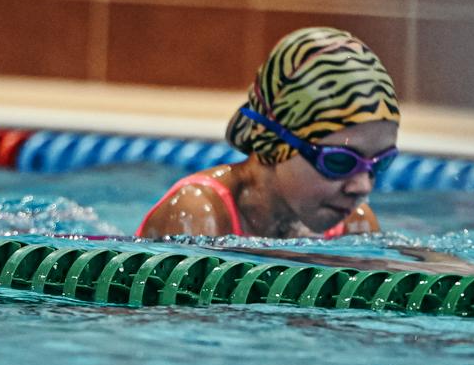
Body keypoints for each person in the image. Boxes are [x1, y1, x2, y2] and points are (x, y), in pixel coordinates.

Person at [138, 27, 399, 240]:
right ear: (273, 139)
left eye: (380, 163)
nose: (363, 186)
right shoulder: (200, 214)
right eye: (339, 160)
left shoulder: (355, 224)